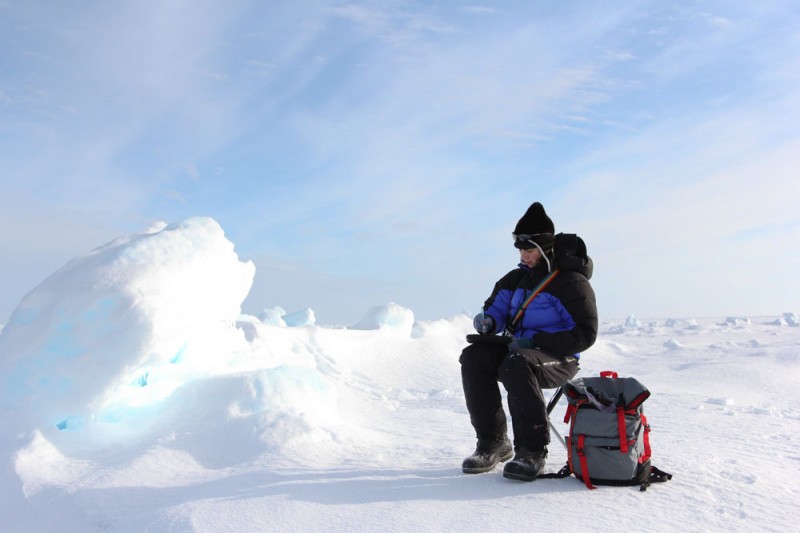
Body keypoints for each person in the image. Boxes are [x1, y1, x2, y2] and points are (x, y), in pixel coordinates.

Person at [460, 201, 597, 481]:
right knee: (474, 356)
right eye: (521, 249)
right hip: (517, 354)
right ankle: (493, 442)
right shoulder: (514, 280)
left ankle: (532, 452)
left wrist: (535, 341)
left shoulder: (571, 282)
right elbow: (495, 308)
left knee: (517, 362)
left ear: (546, 247)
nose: (524, 255)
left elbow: (585, 335)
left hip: (560, 359)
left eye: (529, 249)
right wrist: (487, 322)